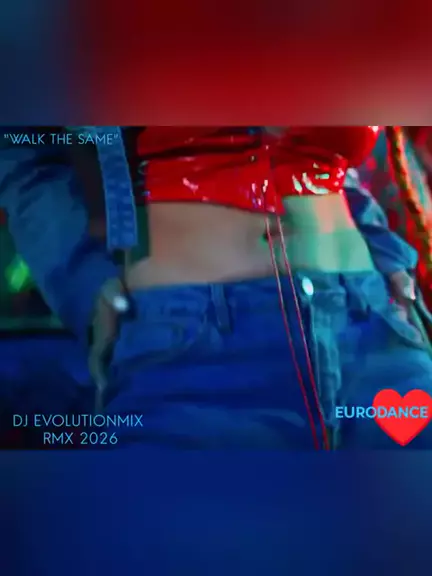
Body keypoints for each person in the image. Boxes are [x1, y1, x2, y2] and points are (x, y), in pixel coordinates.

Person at [1, 126, 431, 450]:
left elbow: (331, 164)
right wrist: (87, 282)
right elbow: (22, 145)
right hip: (192, 353)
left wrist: (386, 254)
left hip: (372, 328)